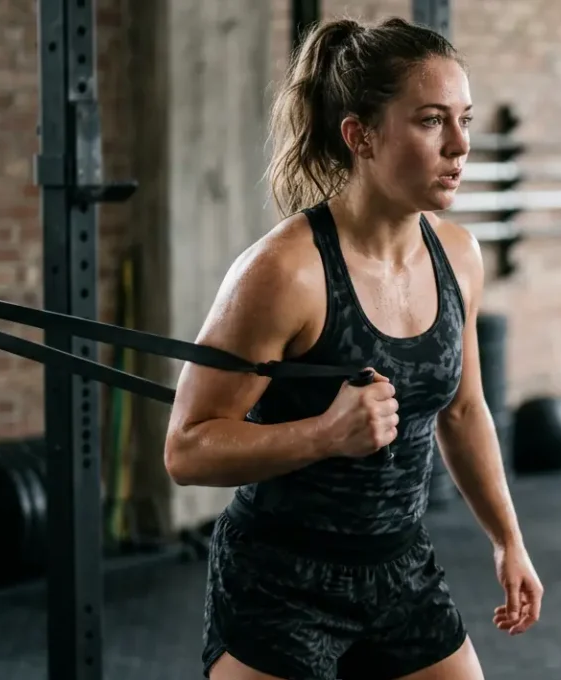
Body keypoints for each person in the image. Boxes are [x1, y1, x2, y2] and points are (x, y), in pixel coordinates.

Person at [162, 16, 541, 680]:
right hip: (282, 581)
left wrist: (508, 540)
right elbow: (187, 448)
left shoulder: (458, 256)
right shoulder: (285, 273)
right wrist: (322, 434)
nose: (460, 145)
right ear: (360, 135)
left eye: (465, 119)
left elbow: (463, 412)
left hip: (399, 568)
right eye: (430, 121)